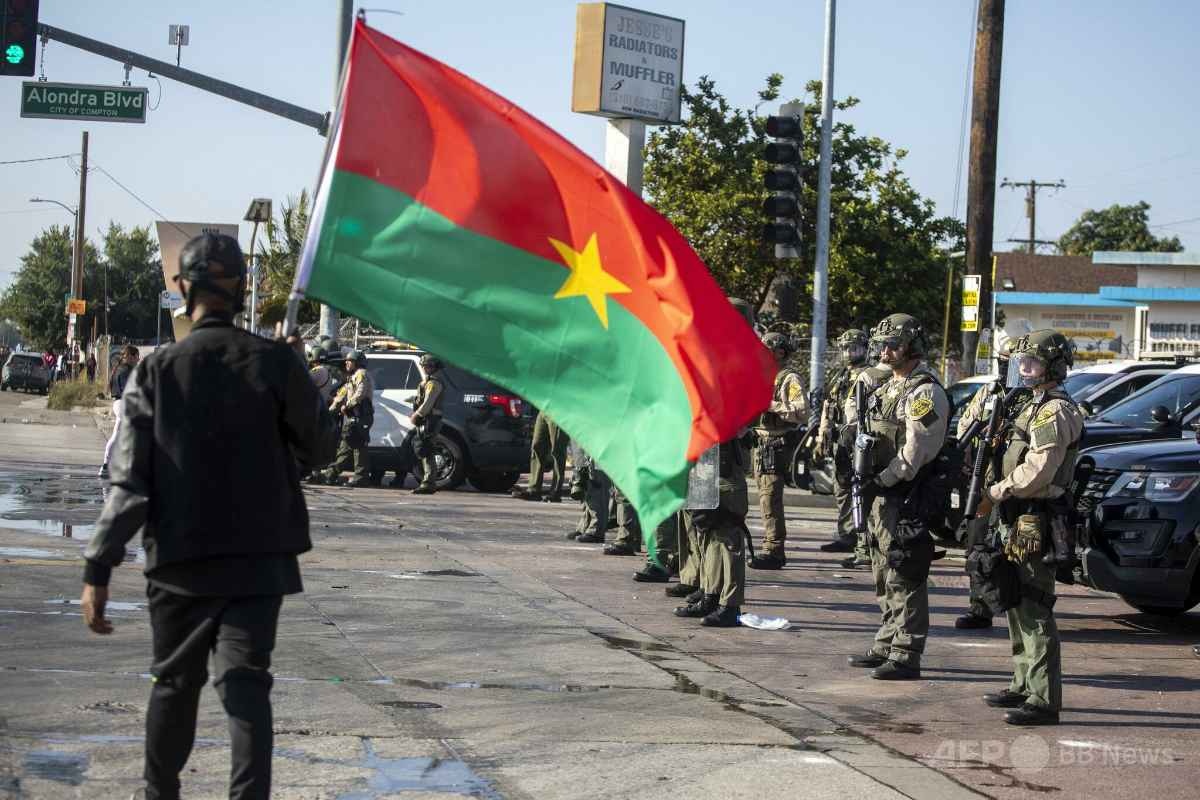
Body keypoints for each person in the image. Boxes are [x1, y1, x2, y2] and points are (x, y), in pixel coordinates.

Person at [79, 233, 335, 800]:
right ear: (243, 288)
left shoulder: (156, 371)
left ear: (181, 288)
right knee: (246, 687)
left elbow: (129, 483)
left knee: (173, 683)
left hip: (179, 561)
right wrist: (297, 373)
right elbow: (320, 447)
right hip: (258, 564)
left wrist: (98, 567)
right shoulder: (275, 362)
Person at [977, 330, 1083, 726]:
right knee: (1014, 597)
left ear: (1053, 366)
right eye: (1022, 361)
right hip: (1015, 513)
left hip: (1034, 516)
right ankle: (1023, 683)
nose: (1024, 368)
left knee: (1034, 604)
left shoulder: (1056, 411)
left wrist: (996, 491)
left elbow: (1039, 470)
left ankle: (1043, 699)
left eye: (1033, 362)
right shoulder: (1028, 404)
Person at [846, 313, 949, 680]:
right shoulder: (886, 387)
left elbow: (917, 449)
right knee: (882, 570)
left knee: (905, 572)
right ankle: (887, 639)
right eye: (882, 345)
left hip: (905, 494)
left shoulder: (924, 392)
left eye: (893, 345)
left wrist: (885, 479)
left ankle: (906, 652)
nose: (885, 352)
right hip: (880, 493)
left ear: (912, 346)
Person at [953, 339, 1032, 630]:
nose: (1004, 368)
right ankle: (980, 607)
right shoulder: (990, 391)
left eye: (1011, 362)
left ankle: (1021, 611)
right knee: (977, 545)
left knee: (1018, 553)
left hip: (1018, 487)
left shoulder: (1034, 398)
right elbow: (966, 424)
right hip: (986, 480)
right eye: (1002, 361)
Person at [815, 329, 891, 562]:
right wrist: (822, 437)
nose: (849, 353)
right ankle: (848, 535)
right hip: (841, 440)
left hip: (860, 441)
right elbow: (829, 407)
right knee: (842, 490)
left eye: (854, 348)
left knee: (861, 491)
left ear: (865, 349)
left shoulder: (872, 375)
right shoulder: (841, 376)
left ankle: (864, 545)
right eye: (845, 348)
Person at [672, 437, 750, 627]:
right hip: (705, 465)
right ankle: (711, 596)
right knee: (708, 537)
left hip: (725, 470)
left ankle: (730, 606)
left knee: (728, 539)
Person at [747, 331, 807, 569]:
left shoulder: (789, 378)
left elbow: (801, 412)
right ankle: (770, 545)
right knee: (764, 498)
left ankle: (774, 549)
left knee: (770, 498)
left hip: (776, 444)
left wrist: (770, 404)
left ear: (780, 352)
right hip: (760, 443)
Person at [321, 349, 375, 488]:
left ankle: (360, 477)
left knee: (358, 446)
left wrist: (348, 405)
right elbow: (341, 396)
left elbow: (360, 393)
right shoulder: (351, 377)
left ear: (357, 363)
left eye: (349, 361)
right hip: (353, 417)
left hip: (361, 416)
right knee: (347, 446)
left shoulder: (361, 374)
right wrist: (330, 411)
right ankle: (331, 474)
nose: (346, 363)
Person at [99, 345, 141, 479]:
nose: (138, 359)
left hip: (119, 403)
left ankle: (107, 465)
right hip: (125, 404)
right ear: (130, 356)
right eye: (136, 356)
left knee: (117, 435)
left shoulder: (119, 369)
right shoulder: (126, 371)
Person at [407, 353, 446, 494]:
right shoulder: (427, 382)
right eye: (423, 366)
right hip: (427, 419)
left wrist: (417, 415)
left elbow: (428, 402)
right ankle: (427, 481)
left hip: (431, 419)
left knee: (426, 449)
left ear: (433, 367)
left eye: (427, 366)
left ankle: (428, 483)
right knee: (423, 448)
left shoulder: (433, 383)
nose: (424, 368)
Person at [513, 410, 569, 501]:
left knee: (557, 450)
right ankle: (534, 490)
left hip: (559, 410)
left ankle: (555, 492)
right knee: (537, 446)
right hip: (544, 409)